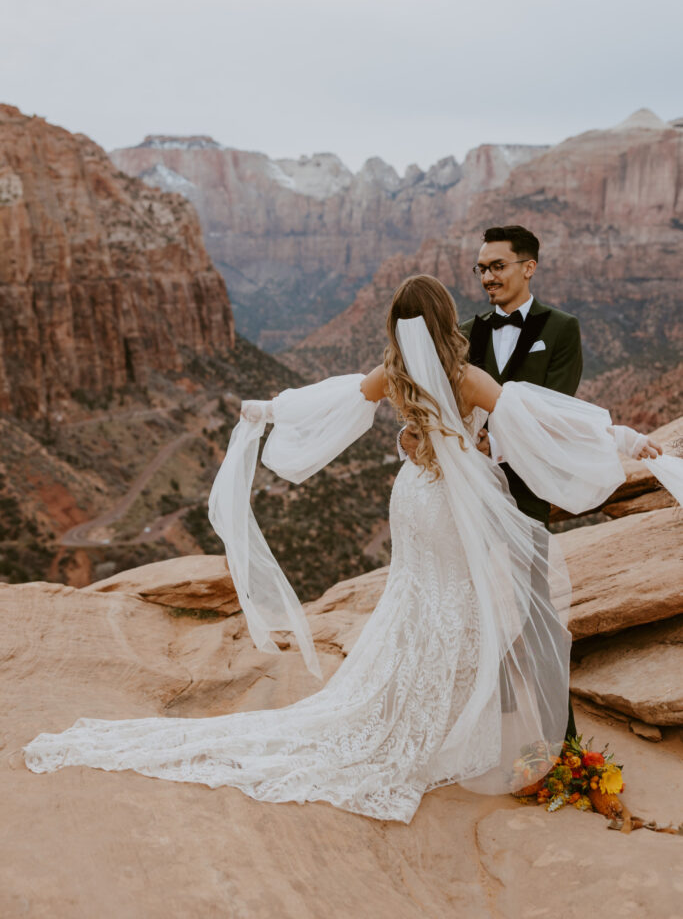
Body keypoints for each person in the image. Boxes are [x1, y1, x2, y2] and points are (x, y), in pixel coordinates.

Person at [23, 276, 675, 826]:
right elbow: (543, 419)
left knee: (417, 597)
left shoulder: (391, 373)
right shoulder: (465, 375)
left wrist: (266, 410)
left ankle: (402, 707)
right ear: (447, 320)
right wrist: (619, 437)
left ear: (398, 326)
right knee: (460, 600)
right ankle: (442, 721)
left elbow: (331, 397)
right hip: (455, 505)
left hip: (413, 502)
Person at [398, 226, 583, 740]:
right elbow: (440, 399)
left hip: (523, 492)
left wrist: (493, 447)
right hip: (463, 493)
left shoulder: (562, 329)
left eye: (497, 265)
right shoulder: (466, 333)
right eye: (481, 268)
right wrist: (418, 431)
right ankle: (489, 722)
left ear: (529, 267)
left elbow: (553, 411)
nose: (486, 277)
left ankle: (561, 738)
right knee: (475, 604)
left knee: (538, 608)